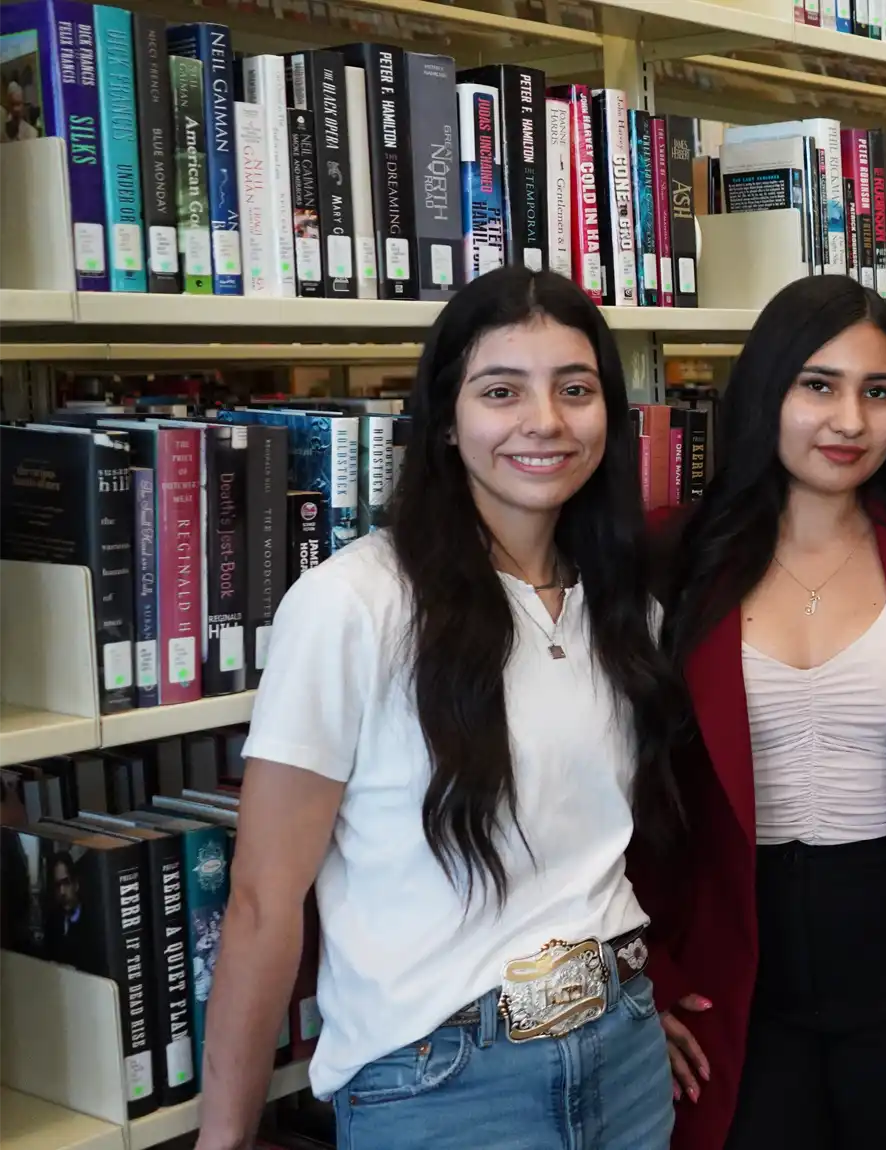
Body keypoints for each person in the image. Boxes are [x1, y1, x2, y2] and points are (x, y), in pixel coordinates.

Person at [195, 267, 687, 1150]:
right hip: (443, 1085)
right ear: (448, 423)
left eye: (575, 390)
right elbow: (265, 901)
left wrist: (629, 1001)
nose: (544, 420)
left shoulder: (624, 607)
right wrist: (223, 1141)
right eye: (502, 390)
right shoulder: (354, 605)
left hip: (625, 1057)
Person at [628, 274, 886, 1150]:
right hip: (731, 966)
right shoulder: (673, 560)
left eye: (878, 392)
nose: (849, 420)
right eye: (819, 385)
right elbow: (612, 789)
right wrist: (642, 978)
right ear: (766, 390)